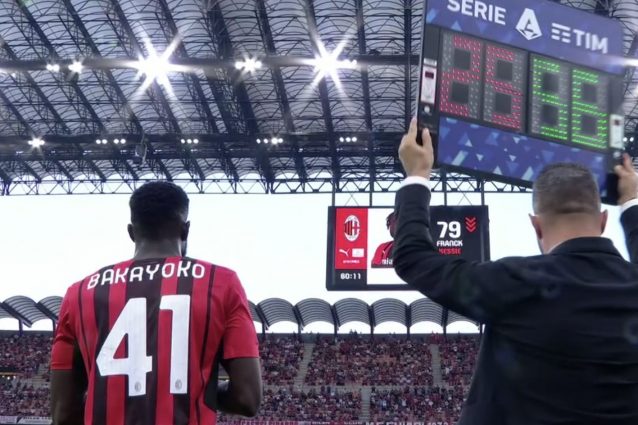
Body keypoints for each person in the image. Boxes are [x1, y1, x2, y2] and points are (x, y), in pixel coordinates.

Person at [394, 118, 638, 425]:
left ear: (536, 225)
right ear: (603, 221)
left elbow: (413, 258)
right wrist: (631, 202)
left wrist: (417, 175)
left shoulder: (515, 282)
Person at [50, 181, 262, 425]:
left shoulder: (78, 294)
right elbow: (247, 398)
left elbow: (63, 413)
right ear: (186, 230)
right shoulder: (222, 283)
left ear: (131, 232)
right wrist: (198, 388)